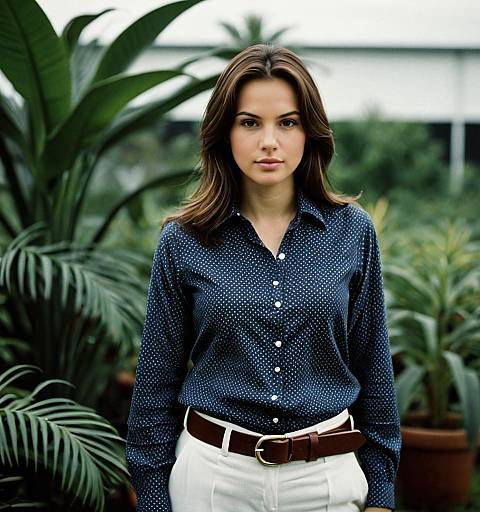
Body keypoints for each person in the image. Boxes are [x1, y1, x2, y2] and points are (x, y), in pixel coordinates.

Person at [125, 43, 401, 512]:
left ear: (309, 132)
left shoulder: (353, 232)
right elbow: (154, 386)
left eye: (287, 122)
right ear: (224, 133)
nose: (268, 141)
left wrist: (380, 495)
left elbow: (374, 370)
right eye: (250, 122)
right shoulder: (183, 240)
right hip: (212, 481)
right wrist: (153, 498)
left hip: (327, 481)